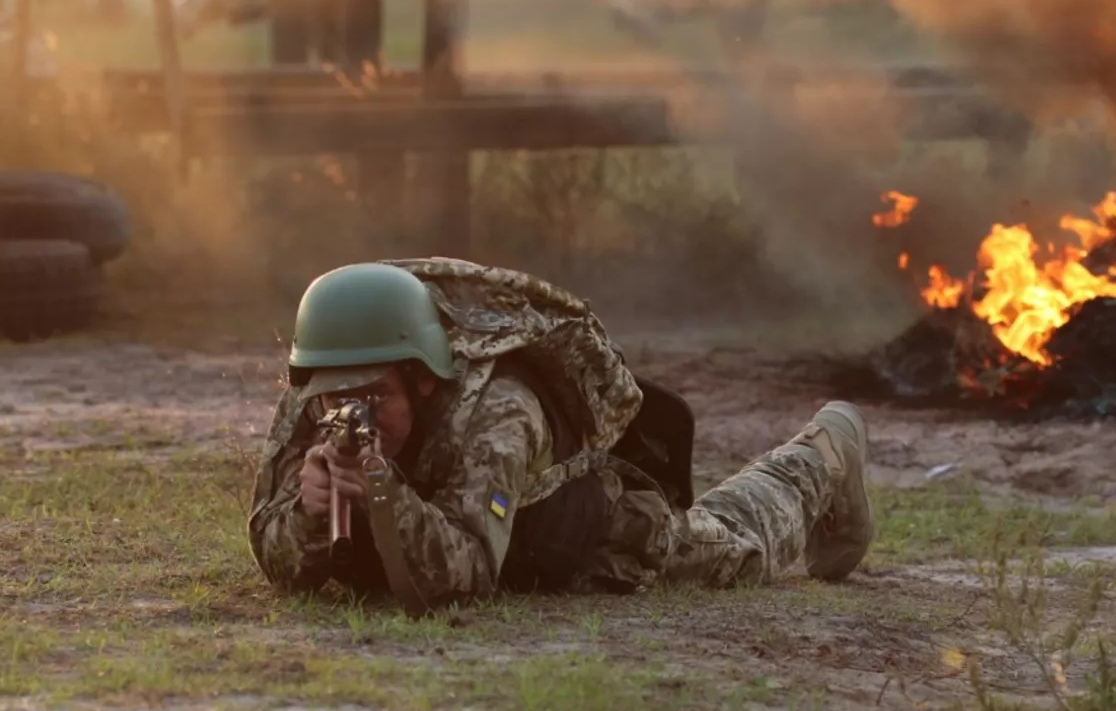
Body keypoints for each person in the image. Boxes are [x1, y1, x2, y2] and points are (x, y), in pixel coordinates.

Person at [247, 258, 875, 614]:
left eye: (377, 395)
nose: (354, 411)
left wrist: (384, 494)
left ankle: (823, 453)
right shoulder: (317, 395)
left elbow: (463, 577)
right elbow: (274, 553)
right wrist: (308, 512)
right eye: (337, 396)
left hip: (599, 534)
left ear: (426, 381)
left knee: (740, 548)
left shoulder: (500, 412)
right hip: (501, 544)